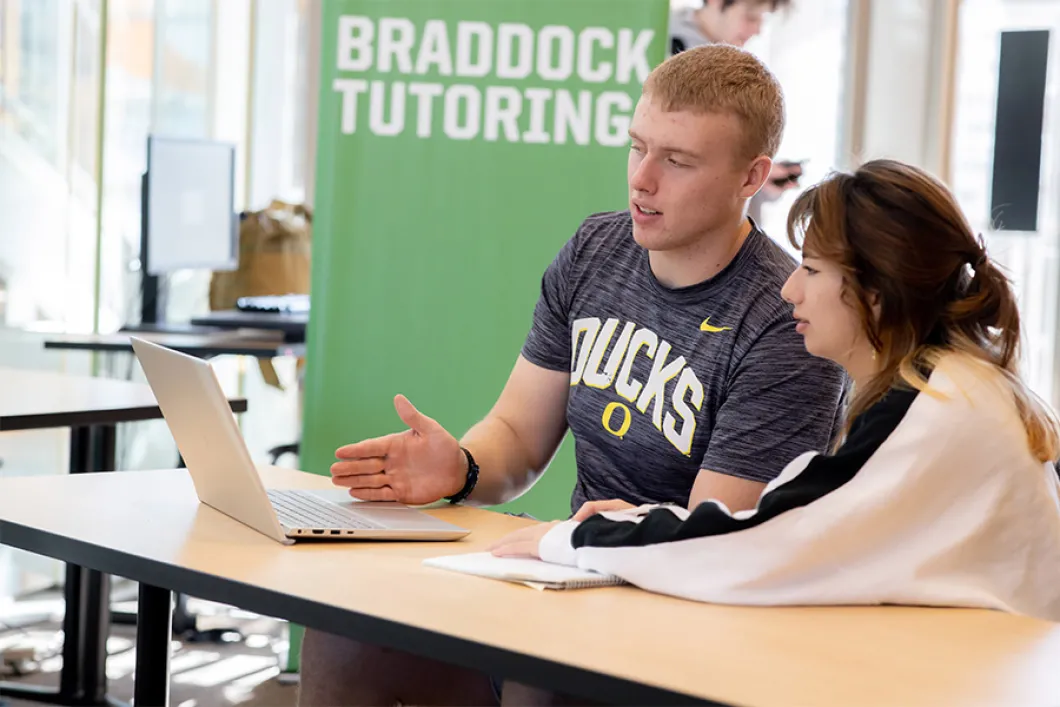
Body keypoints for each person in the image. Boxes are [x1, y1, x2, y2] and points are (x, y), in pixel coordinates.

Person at [297, 45, 846, 707]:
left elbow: (711, 537)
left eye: (676, 161)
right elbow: (518, 439)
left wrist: (601, 539)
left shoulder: (783, 318)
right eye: (637, 146)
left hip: (681, 610)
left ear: (751, 175)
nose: (642, 179)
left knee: (545, 674)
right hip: (574, 572)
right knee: (345, 627)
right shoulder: (596, 249)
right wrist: (464, 466)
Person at [491, 159, 1060, 623]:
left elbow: (756, 547)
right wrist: (647, 520)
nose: (790, 288)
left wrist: (580, 538)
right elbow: (796, 528)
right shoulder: (955, 387)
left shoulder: (933, 406)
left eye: (811, 269)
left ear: (876, 295)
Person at [671, 0, 801, 211]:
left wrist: (761, 180)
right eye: (750, 18)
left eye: (761, 20)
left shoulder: (737, 67)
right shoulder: (658, 44)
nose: (757, 30)